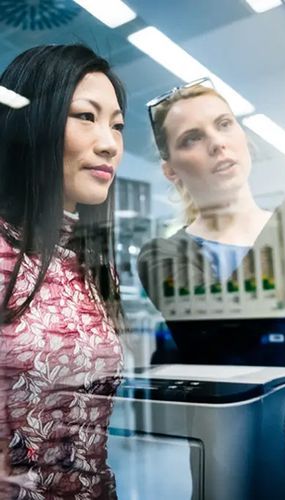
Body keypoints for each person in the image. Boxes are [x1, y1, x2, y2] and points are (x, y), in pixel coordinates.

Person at [0, 44, 126, 499]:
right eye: (85, 116)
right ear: (31, 125)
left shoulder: (94, 263)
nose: (109, 142)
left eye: (117, 125)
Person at [137, 78, 280, 364]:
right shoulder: (162, 256)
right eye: (192, 138)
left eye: (224, 124)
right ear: (171, 171)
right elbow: (222, 346)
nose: (217, 143)